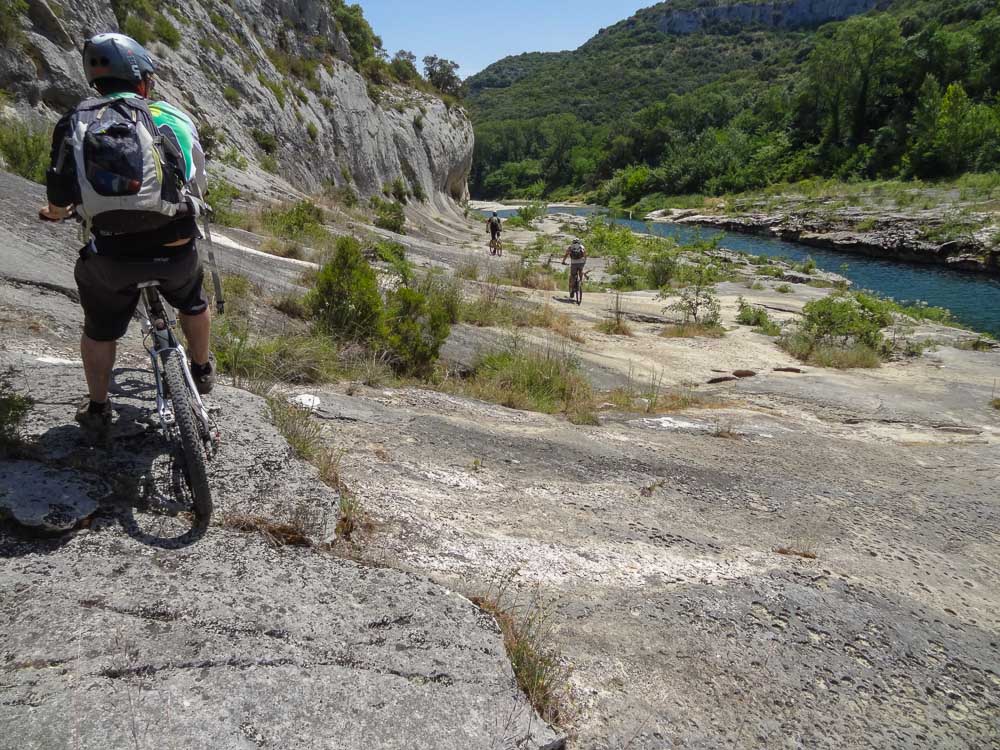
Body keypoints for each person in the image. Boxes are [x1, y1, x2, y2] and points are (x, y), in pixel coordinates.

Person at [40, 33, 214, 442]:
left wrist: (56, 212)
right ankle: (202, 369)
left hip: (113, 256)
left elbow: (59, 195)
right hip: (174, 247)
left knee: (99, 328)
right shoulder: (167, 117)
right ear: (141, 80)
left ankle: (99, 408)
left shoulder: (74, 122)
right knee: (192, 298)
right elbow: (196, 180)